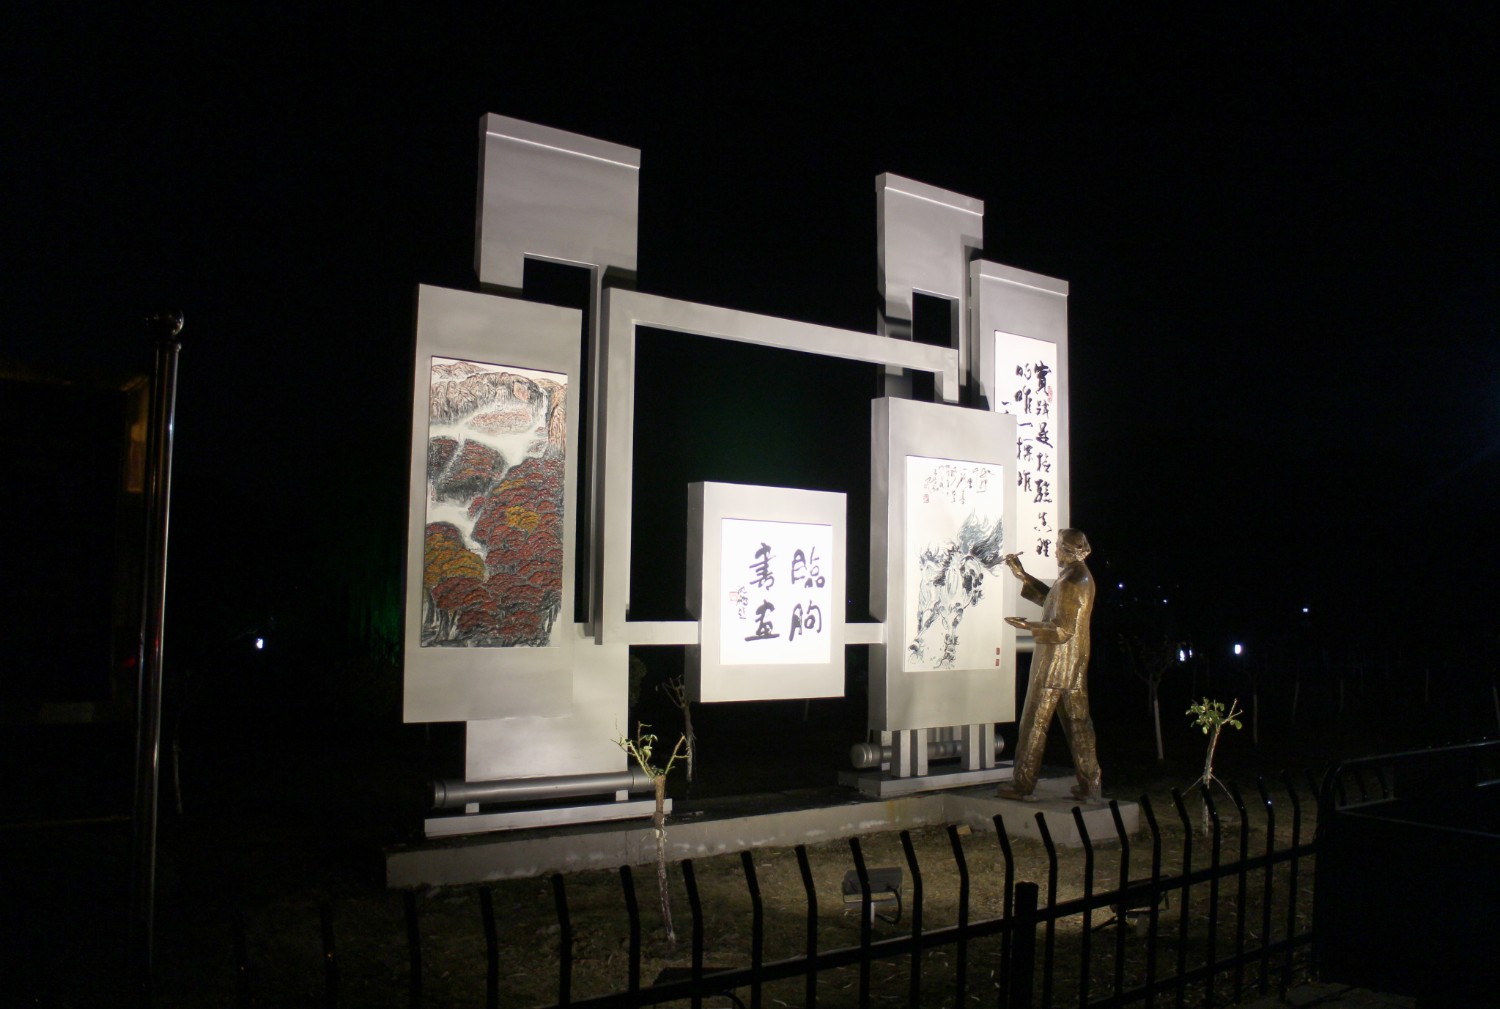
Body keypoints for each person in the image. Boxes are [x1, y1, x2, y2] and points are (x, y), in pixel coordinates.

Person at [998, 528, 1102, 802]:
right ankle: (1091, 784)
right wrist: (1022, 575)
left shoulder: (1073, 580)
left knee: (1034, 723)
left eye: (1058, 547)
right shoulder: (1076, 575)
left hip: (1055, 665)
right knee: (1078, 723)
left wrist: (1027, 626)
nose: (1055, 551)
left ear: (1068, 551)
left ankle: (1022, 784)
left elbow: (1062, 630)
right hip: (1074, 665)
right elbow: (1052, 602)